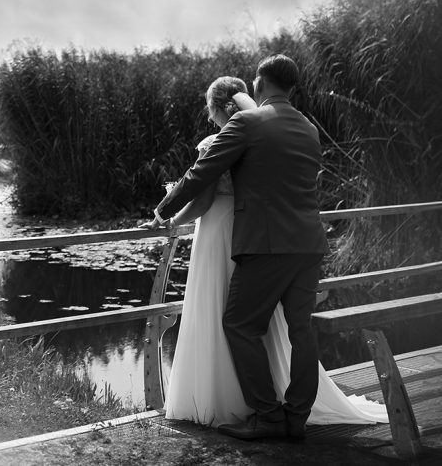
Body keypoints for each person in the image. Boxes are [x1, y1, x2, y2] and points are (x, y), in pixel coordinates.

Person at [143, 57, 385, 440]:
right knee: (300, 330)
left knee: (239, 324)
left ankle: (268, 416)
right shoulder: (308, 127)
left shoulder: (246, 122)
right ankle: (296, 416)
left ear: (258, 84)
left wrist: (163, 209)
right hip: (308, 243)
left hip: (266, 245)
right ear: (292, 88)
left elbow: (202, 173)